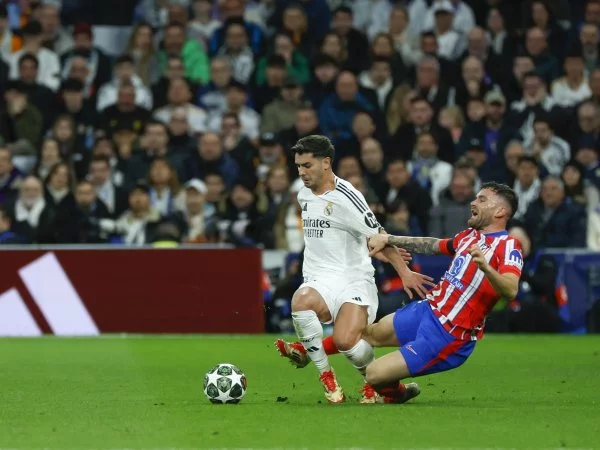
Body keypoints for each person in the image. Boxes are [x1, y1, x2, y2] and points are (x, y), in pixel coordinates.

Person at [278, 182, 523, 404]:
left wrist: (486, 268)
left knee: (374, 374)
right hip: (428, 311)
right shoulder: (469, 236)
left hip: (449, 335)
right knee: (364, 332)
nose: (473, 202)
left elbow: (511, 290)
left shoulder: (509, 245)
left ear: (500, 211)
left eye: (482, 199)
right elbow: (433, 245)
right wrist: (389, 239)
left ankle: (399, 392)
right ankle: (308, 351)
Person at [275, 135, 432, 404]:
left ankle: (384, 387)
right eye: (298, 166)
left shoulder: (348, 196)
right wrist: (368, 246)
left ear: (326, 163)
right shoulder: (303, 195)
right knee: (300, 302)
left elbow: (378, 234)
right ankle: (327, 378)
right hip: (319, 278)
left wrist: (403, 271)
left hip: (353, 279)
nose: (301, 172)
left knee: (347, 342)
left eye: (307, 165)